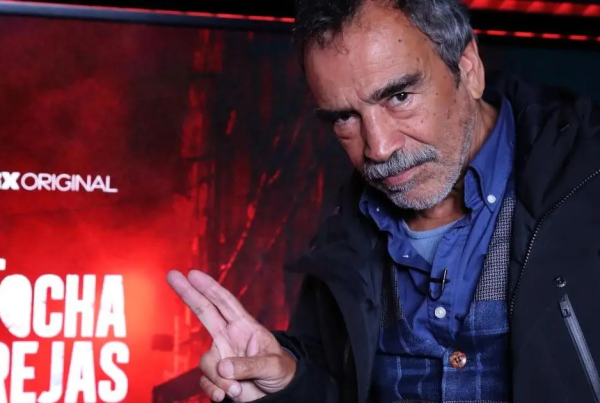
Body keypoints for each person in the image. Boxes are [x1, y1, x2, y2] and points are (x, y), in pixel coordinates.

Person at [166, 0, 600, 402]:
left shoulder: (588, 181)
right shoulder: (342, 237)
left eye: (399, 97)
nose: (378, 148)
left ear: (468, 67)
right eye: (344, 117)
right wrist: (288, 384)